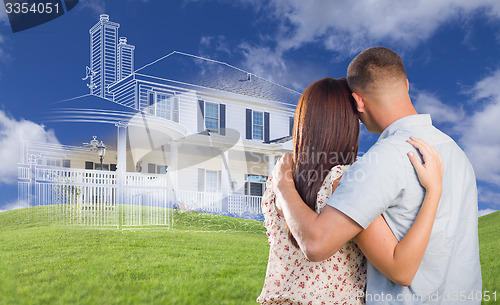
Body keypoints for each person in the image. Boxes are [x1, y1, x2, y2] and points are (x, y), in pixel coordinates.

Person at [272, 48, 481, 304]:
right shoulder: (455, 152)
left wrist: (283, 186)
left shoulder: (380, 161)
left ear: (358, 102)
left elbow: (316, 244)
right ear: (406, 84)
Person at [258, 77, 444, 304]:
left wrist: (284, 186)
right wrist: (434, 190)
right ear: (348, 124)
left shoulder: (277, 179)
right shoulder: (344, 181)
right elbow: (400, 269)